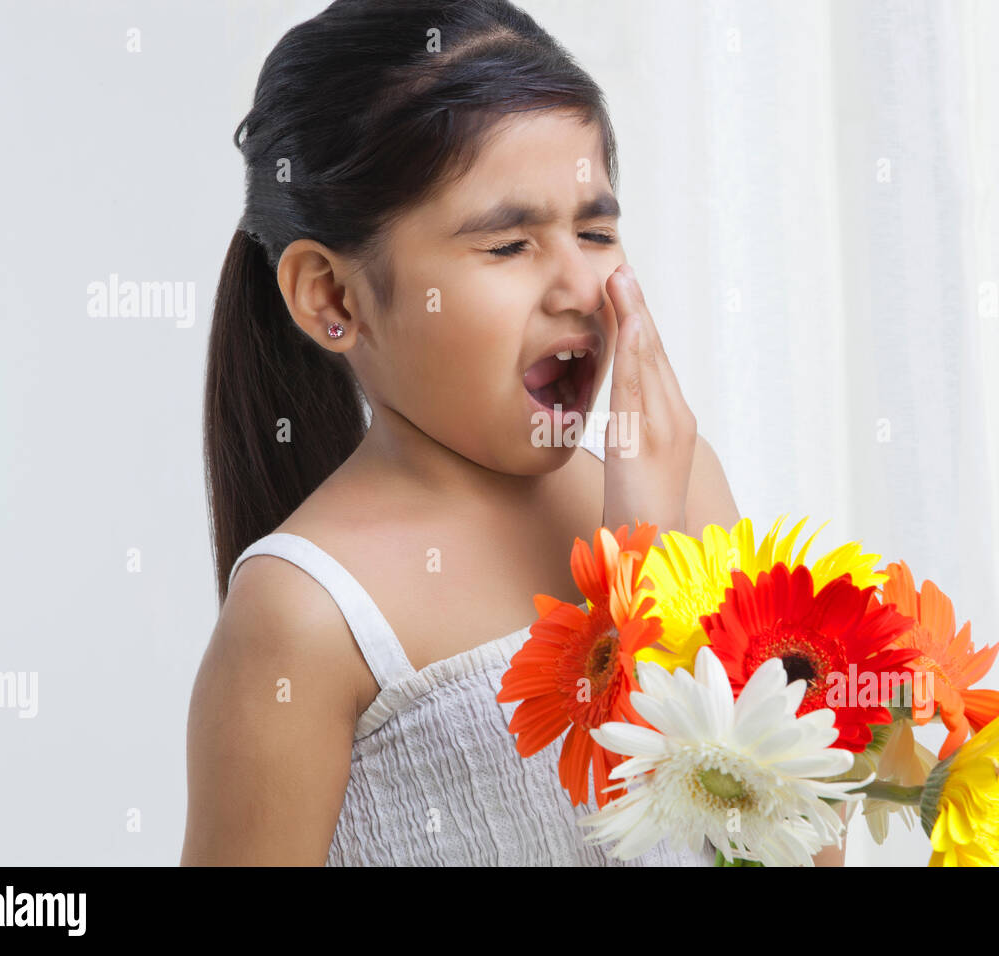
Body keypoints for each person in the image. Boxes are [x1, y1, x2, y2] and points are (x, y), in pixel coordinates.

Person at [180, 0, 843, 866]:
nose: (578, 285)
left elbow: (801, 847)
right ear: (333, 297)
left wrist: (646, 556)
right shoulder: (306, 618)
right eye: (507, 246)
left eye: (596, 230)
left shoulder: (683, 490)